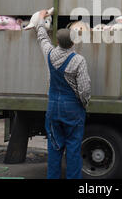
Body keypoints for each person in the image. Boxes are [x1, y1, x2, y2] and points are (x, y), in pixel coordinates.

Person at [34, 10, 91, 179]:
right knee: (73, 149)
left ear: (57, 41)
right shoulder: (79, 60)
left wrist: (41, 20)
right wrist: (84, 104)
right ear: (73, 41)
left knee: (54, 148)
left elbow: (42, 38)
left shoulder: (49, 54)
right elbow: (84, 89)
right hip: (73, 109)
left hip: (53, 108)